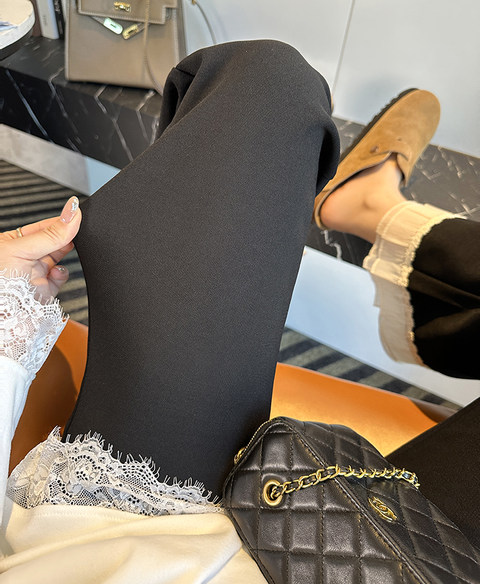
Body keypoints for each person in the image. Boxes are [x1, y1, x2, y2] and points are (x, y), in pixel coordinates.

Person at [0, 41, 478, 582]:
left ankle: (374, 209)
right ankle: (377, 211)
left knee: (270, 82)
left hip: (124, 538)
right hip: (420, 563)